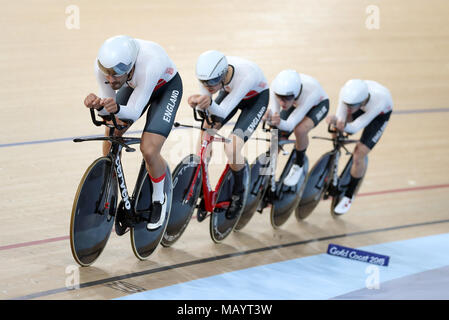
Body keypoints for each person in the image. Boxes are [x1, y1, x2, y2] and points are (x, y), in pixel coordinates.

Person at [83, 35, 183, 230]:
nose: (110, 79)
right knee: (111, 136)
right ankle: (111, 190)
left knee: (149, 149)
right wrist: (98, 106)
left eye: (115, 74)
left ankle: (158, 199)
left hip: (166, 89)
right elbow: (108, 110)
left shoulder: (150, 63)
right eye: (107, 73)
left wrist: (113, 108)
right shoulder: (104, 69)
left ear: (129, 67)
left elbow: (134, 111)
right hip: (135, 85)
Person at [187, 50, 269, 219]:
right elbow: (208, 106)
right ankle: (202, 184)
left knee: (231, 148)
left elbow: (223, 112)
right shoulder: (209, 73)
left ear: (223, 75)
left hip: (255, 99)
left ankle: (239, 192)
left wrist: (208, 102)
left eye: (213, 82)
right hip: (231, 92)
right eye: (204, 82)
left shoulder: (246, 75)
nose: (208, 86)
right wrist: (197, 103)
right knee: (205, 134)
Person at [327, 79, 393, 214]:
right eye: (347, 104)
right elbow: (341, 118)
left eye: (352, 105)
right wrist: (336, 122)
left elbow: (355, 128)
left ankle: (349, 195)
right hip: (361, 107)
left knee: (359, 154)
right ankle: (333, 163)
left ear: (363, 101)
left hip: (379, 115)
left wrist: (343, 124)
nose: (348, 108)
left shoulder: (379, 100)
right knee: (336, 129)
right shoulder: (347, 92)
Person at [263, 70, 329, 186]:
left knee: (300, 130)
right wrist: (269, 118)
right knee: (276, 134)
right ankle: (269, 170)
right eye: (280, 97)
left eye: (286, 98)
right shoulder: (276, 87)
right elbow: (275, 116)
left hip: (317, 104)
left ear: (296, 92)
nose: (282, 102)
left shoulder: (311, 91)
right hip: (295, 103)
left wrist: (277, 121)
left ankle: (299, 164)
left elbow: (290, 125)